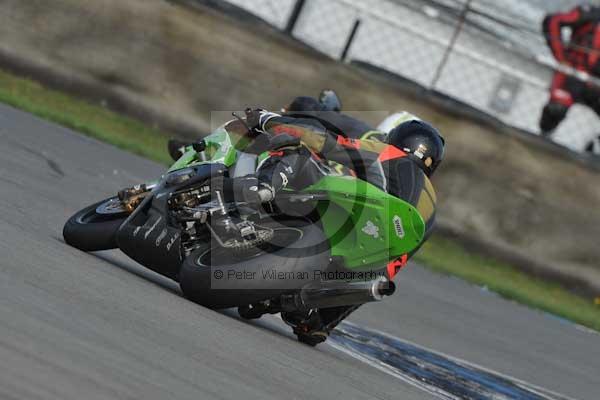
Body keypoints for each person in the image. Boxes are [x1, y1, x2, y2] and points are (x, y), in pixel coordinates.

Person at [224, 108, 444, 341]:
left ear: (397, 140)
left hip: (342, 223)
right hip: (359, 266)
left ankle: (262, 188)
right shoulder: (430, 212)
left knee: (298, 151)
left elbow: (327, 143)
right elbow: (390, 270)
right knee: (377, 279)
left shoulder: (390, 154)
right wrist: (325, 322)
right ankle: (312, 318)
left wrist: (270, 120)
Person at [540, 4, 600, 136]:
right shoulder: (590, 13)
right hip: (572, 74)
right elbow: (553, 21)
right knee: (555, 111)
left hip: (595, 83)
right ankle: (541, 139)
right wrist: (561, 57)